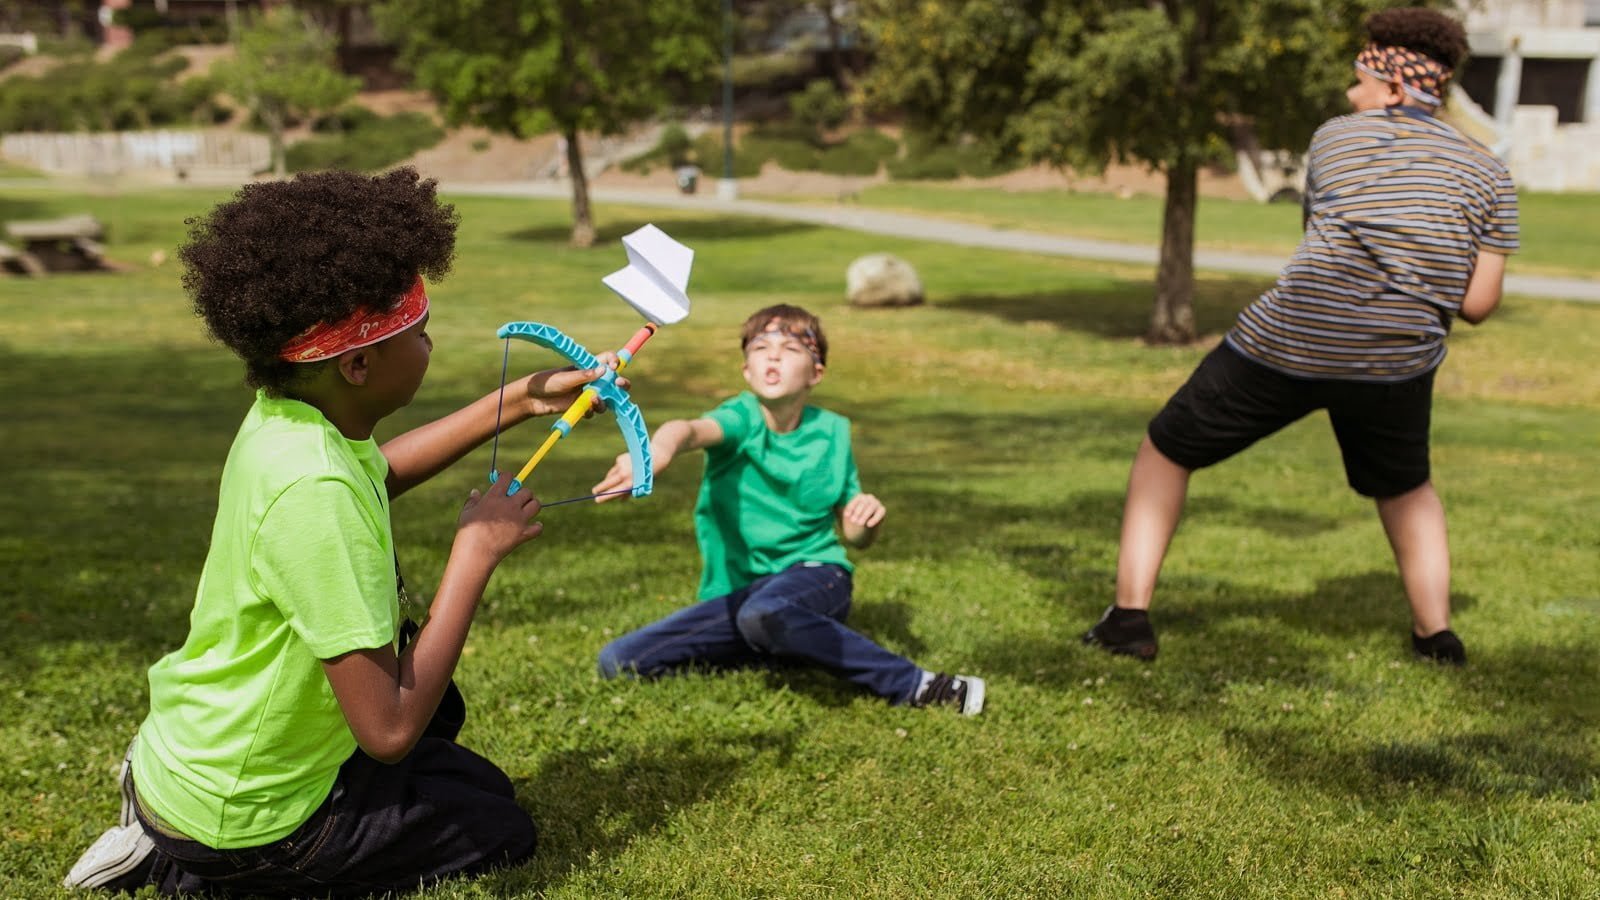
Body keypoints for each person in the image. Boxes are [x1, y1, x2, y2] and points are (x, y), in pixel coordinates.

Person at [64, 168, 616, 895]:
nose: (431, 343)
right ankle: (193, 869)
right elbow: (386, 731)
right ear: (359, 364)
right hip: (248, 817)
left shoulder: (289, 422)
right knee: (497, 828)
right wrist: (475, 553)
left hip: (197, 749)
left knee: (462, 767)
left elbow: (375, 475)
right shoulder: (313, 491)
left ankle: (176, 822)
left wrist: (515, 402)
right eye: (420, 334)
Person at [1083, 8, 1518, 666]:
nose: (1350, 95)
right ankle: (1437, 637)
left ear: (1396, 89)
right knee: (1406, 487)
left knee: (1165, 448)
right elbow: (1480, 304)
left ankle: (1129, 620)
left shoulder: (1335, 139)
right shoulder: (1490, 174)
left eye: (1360, 80)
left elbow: (1321, 242)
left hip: (1289, 340)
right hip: (1395, 362)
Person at [590, 304, 985, 714]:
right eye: (761, 347)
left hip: (816, 575)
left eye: (792, 348)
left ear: (816, 373)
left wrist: (863, 522)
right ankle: (785, 643)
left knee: (766, 613)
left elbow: (855, 538)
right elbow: (687, 430)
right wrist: (655, 451)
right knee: (618, 662)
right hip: (737, 597)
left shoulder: (832, 431)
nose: (774, 355)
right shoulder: (740, 418)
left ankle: (921, 685)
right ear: (747, 370)